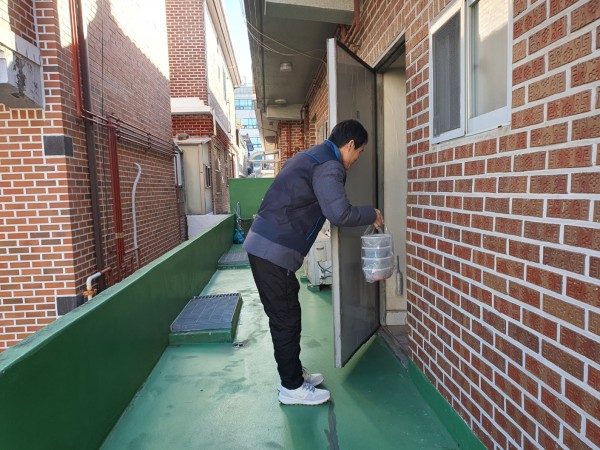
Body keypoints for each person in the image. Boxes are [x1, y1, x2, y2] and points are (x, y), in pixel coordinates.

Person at [243, 119, 384, 406]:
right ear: (350, 145)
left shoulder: (311, 156)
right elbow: (339, 213)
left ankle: (294, 374)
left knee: (287, 314)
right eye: (359, 152)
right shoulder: (329, 166)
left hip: (267, 246)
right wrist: (373, 213)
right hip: (273, 251)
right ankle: (291, 387)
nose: (356, 160)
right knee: (285, 319)